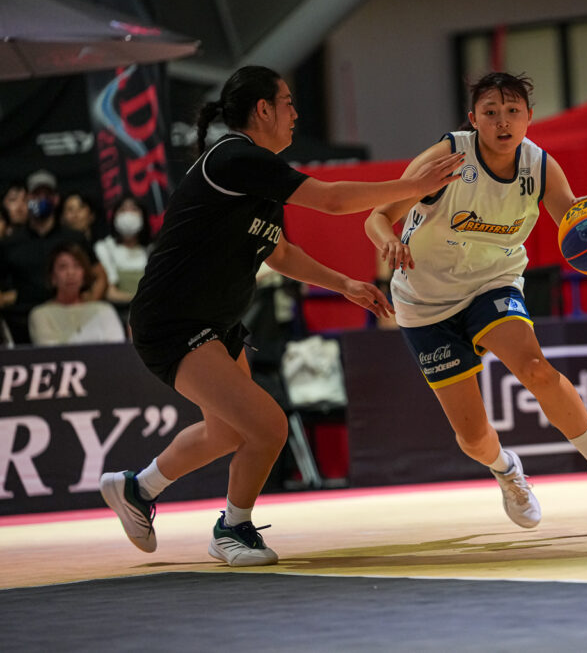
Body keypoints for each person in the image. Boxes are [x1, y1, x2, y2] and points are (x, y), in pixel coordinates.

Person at [99, 65, 464, 567]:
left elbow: (280, 252)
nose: (295, 112)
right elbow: (332, 199)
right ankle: (232, 529)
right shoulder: (234, 158)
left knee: (227, 431)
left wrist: (345, 285)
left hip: (216, 324)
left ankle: (137, 490)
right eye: (288, 102)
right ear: (263, 109)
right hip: (173, 322)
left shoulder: (258, 175)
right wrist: (411, 184)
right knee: (269, 426)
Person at [364, 72, 587, 529]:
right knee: (473, 437)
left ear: (529, 117)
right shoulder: (447, 158)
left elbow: (573, 222)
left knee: (535, 368)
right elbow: (377, 215)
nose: (502, 122)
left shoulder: (539, 166)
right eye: (491, 113)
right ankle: (507, 470)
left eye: (513, 111)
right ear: (473, 119)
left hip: (492, 283)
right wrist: (388, 241)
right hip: (424, 299)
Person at [0, 172, 106, 344]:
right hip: (21, 322)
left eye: (47, 195)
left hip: (69, 320)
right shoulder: (9, 243)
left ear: (56, 199)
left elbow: (100, 276)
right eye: (36, 195)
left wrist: (87, 306)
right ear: (27, 199)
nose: (41, 200)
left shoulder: (74, 238)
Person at [28, 241, 125, 345]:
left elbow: (117, 348)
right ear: (52, 277)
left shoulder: (104, 310)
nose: (71, 273)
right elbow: (50, 351)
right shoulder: (40, 314)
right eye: (63, 267)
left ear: (84, 274)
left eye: (77, 266)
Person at [94, 195, 152, 307]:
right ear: (114, 216)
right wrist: (140, 300)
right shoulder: (105, 248)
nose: (128, 215)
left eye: (134, 209)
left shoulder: (151, 250)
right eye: (123, 210)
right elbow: (110, 293)